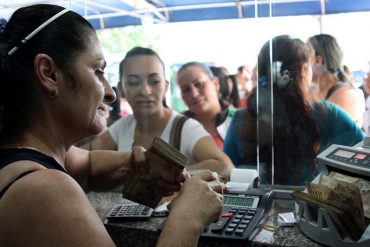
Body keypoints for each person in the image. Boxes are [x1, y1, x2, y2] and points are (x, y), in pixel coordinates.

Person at [0, 5, 224, 246]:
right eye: (98, 71)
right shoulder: (44, 190)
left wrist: (136, 163)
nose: (110, 94)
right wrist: (188, 218)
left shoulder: (24, 158)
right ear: (49, 74)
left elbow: (87, 165)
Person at [223, 35, 365, 185]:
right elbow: (363, 153)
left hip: (258, 205)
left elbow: (228, 171)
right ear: (302, 70)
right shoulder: (327, 114)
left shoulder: (241, 118)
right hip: (311, 206)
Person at [88, 47, 234, 179]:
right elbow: (86, 157)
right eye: (133, 82)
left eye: (154, 81)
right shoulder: (124, 126)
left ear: (165, 86)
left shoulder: (185, 128)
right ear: (121, 89)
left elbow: (224, 166)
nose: (145, 91)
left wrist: (171, 174)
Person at [308, 34, 365, 128]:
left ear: (317, 61)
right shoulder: (314, 92)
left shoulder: (346, 95)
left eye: (304, 60)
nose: (301, 67)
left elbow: (326, 138)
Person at [177, 62, 236, 150]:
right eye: (186, 89)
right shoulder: (177, 126)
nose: (194, 94)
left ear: (215, 84)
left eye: (199, 84)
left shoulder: (239, 120)